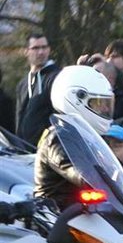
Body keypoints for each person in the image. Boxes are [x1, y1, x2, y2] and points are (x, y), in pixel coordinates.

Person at [33, 65, 114, 207]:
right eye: (98, 103)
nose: (105, 109)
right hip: (55, 217)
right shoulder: (58, 138)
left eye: (107, 103)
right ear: (75, 100)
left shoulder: (85, 136)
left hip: (83, 216)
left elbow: (118, 170)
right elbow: (82, 174)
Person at [16, 33, 61, 143]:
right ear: (26, 51)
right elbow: (19, 118)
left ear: (49, 49)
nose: (41, 52)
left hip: (48, 150)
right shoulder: (23, 84)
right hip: (23, 151)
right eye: (35, 48)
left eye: (44, 47)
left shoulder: (57, 77)